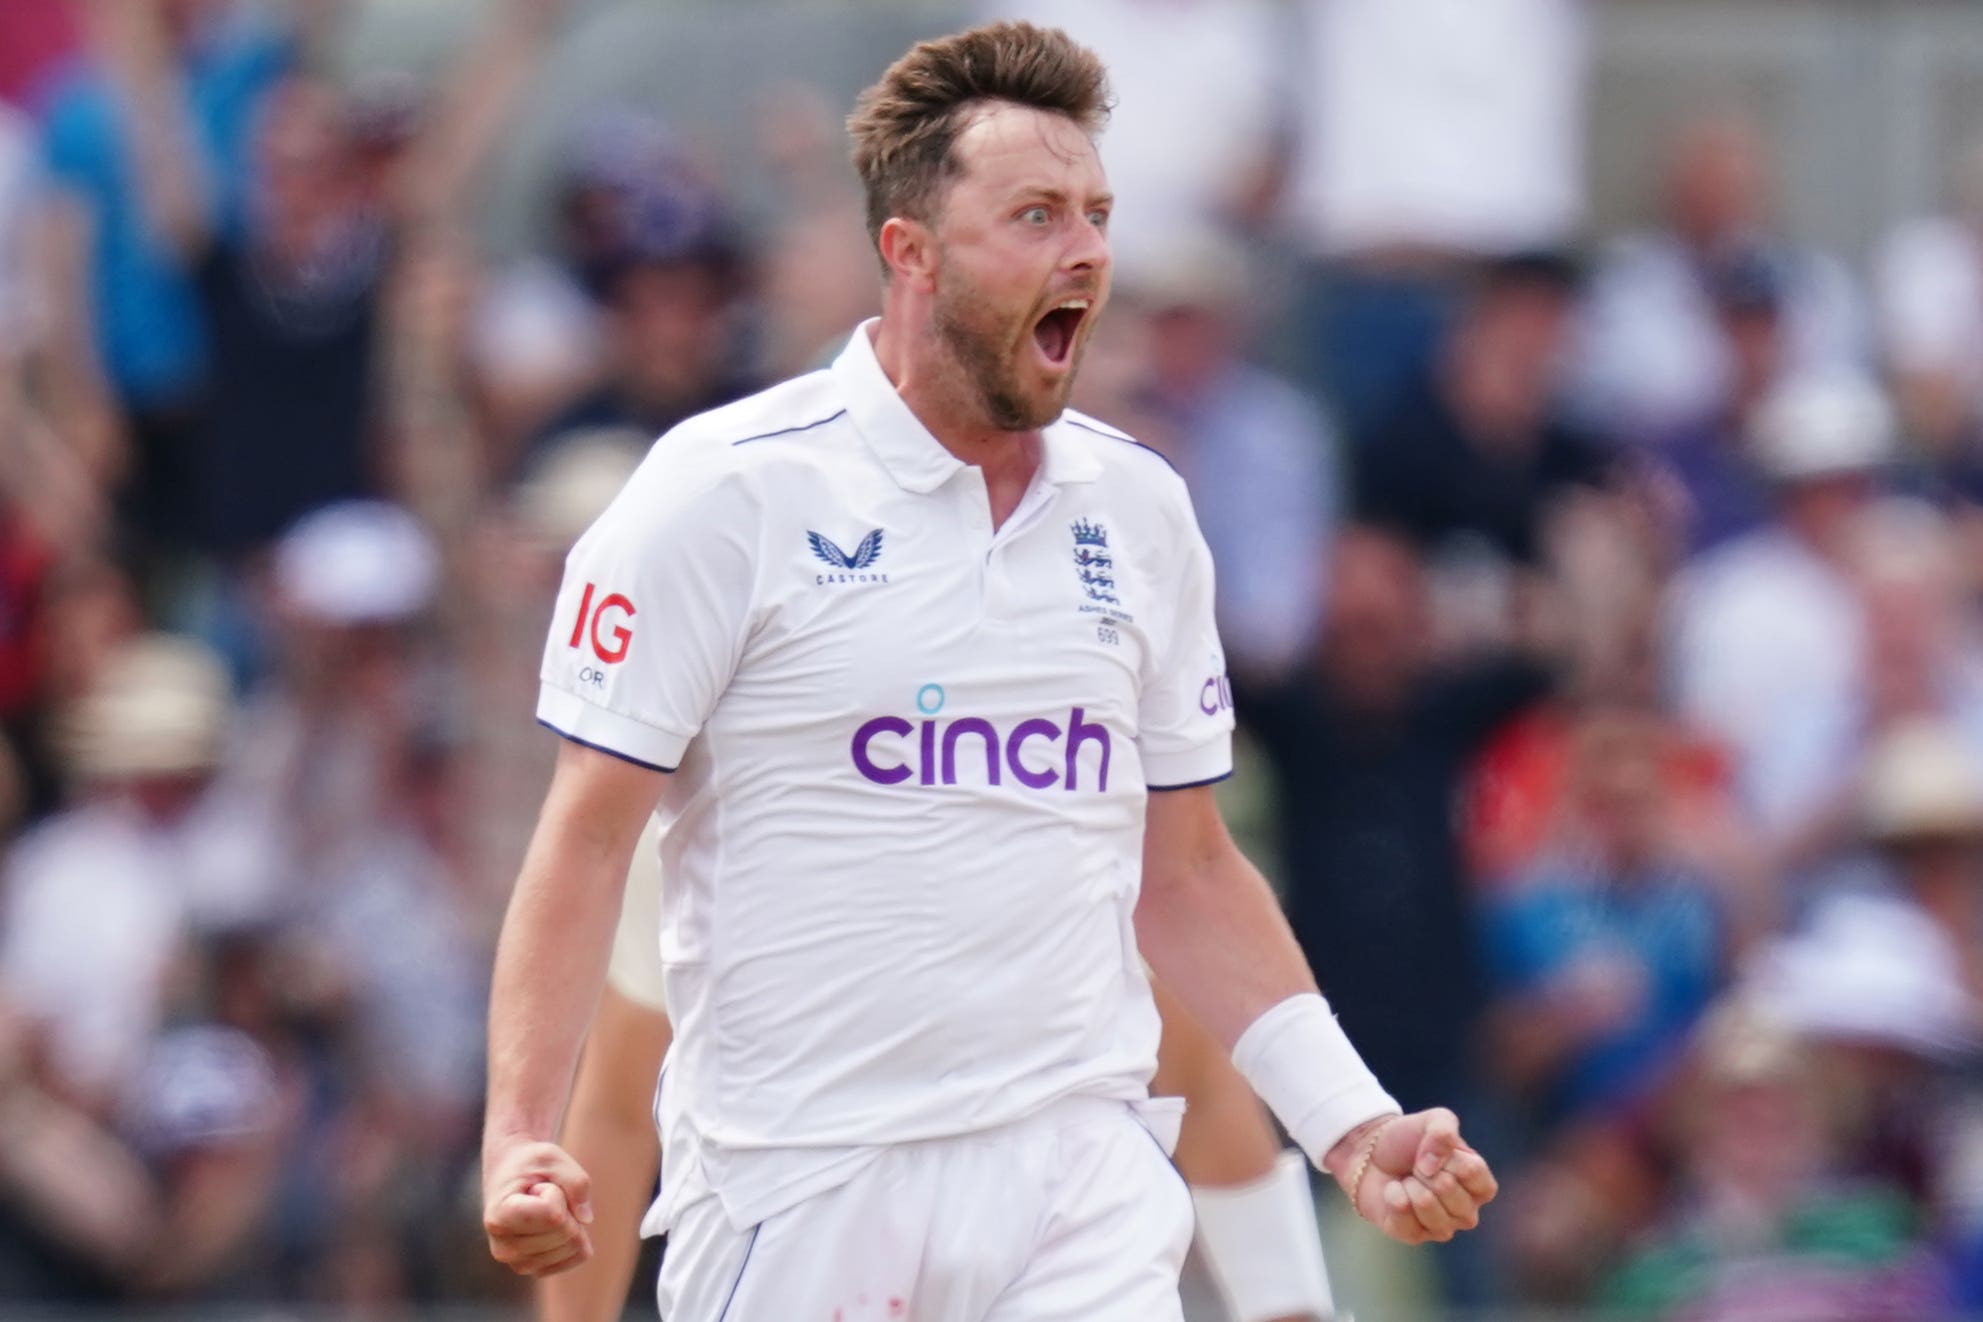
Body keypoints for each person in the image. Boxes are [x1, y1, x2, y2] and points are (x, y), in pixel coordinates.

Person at [481, 21, 1495, 1320]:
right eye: (1032, 214)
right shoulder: (721, 493)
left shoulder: (1139, 512)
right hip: (800, 1195)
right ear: (908, 253)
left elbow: (1181, 870)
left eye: (1094, 213)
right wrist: (517, 1135)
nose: (1083, 250)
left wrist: (1351, 1127)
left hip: (1075, 1189)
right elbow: (581, 843)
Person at [541, 827, 1344, 1322]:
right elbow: (616, 1107)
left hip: (1054, 1240)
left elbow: (1197, 1084)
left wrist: (1292, 1313)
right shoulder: (701, 815)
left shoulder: (1057, 789)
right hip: (801, 1248)